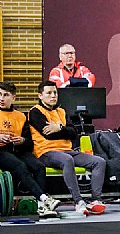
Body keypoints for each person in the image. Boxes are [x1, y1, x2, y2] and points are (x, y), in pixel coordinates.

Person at [28, 80, 107, 215]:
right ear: (40, 96)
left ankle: (96, 200)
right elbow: (48, 135)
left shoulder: (62, 111)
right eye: (49, 93)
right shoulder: (35, 112)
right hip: (46, 152)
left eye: (55, 92)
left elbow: (74, 133)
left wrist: (59, 128)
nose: (53, 95)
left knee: (99, 162)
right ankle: (78, 201)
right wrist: (65, 131)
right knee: (67, 160)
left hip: (67, 150)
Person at [0, 81, 61, 218]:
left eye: (5, 95)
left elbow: (29, 144)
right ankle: (44, 198)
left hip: (17, 150)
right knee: (20, 166)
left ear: (13, 98)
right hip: (1, 151)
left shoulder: (21, 116)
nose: (1, 98)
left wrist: (22, 140)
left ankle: (41, 207)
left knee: (39, 166)